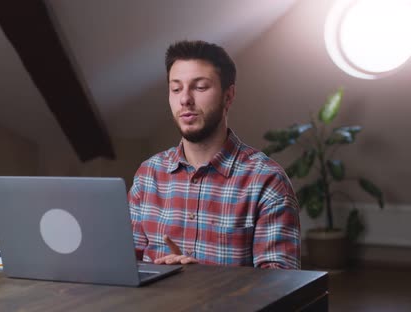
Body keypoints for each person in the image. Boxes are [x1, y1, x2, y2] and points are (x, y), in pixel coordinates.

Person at [128, 40, 300, 269]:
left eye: (199, 87)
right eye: (176, 88)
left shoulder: (267, 180)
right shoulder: (148, 175)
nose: (185, 99)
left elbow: (281, 287)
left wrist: (204, 281)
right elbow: (126, 268)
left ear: (228, 96)